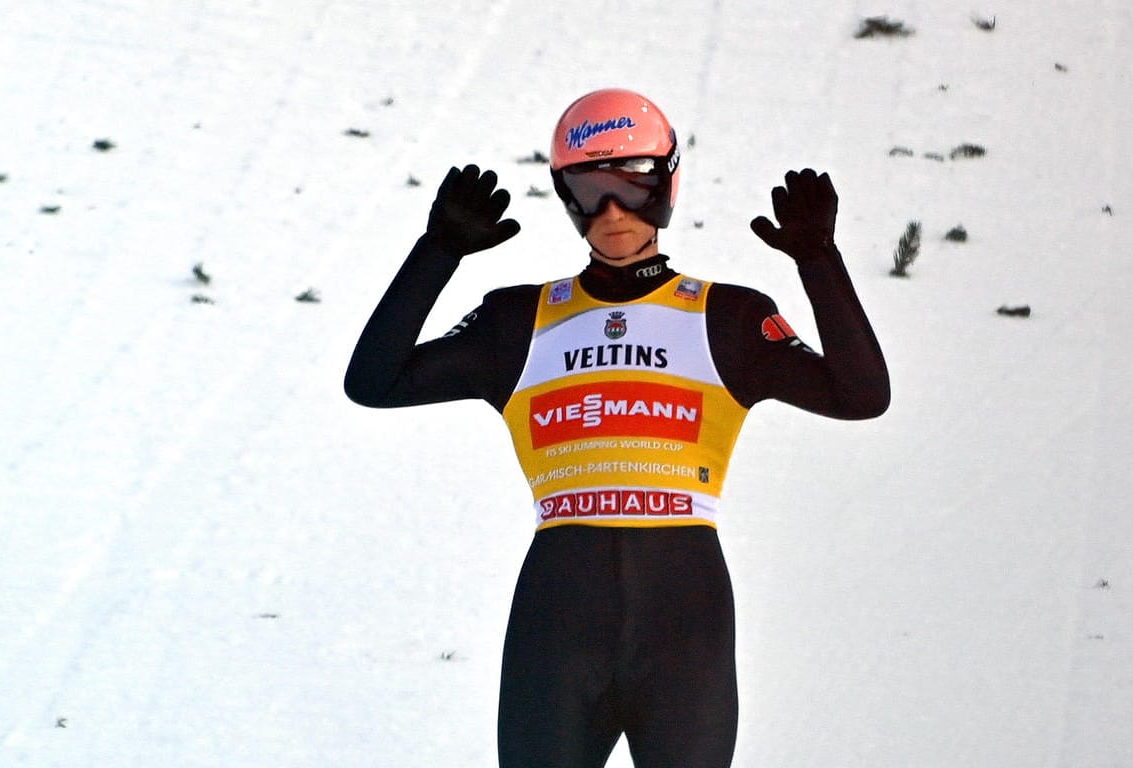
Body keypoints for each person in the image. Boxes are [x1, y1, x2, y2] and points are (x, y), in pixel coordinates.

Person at [344, 88, 890, 768]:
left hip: (682, 627)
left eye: (630, 185)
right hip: (557, 624)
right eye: (588, 188)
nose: (611, 212)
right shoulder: (517, 320)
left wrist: (818, 262)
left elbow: (862, 396)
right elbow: (372, 383)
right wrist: (438, 252)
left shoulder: (728, 318)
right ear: (563, 195)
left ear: (665, 183)